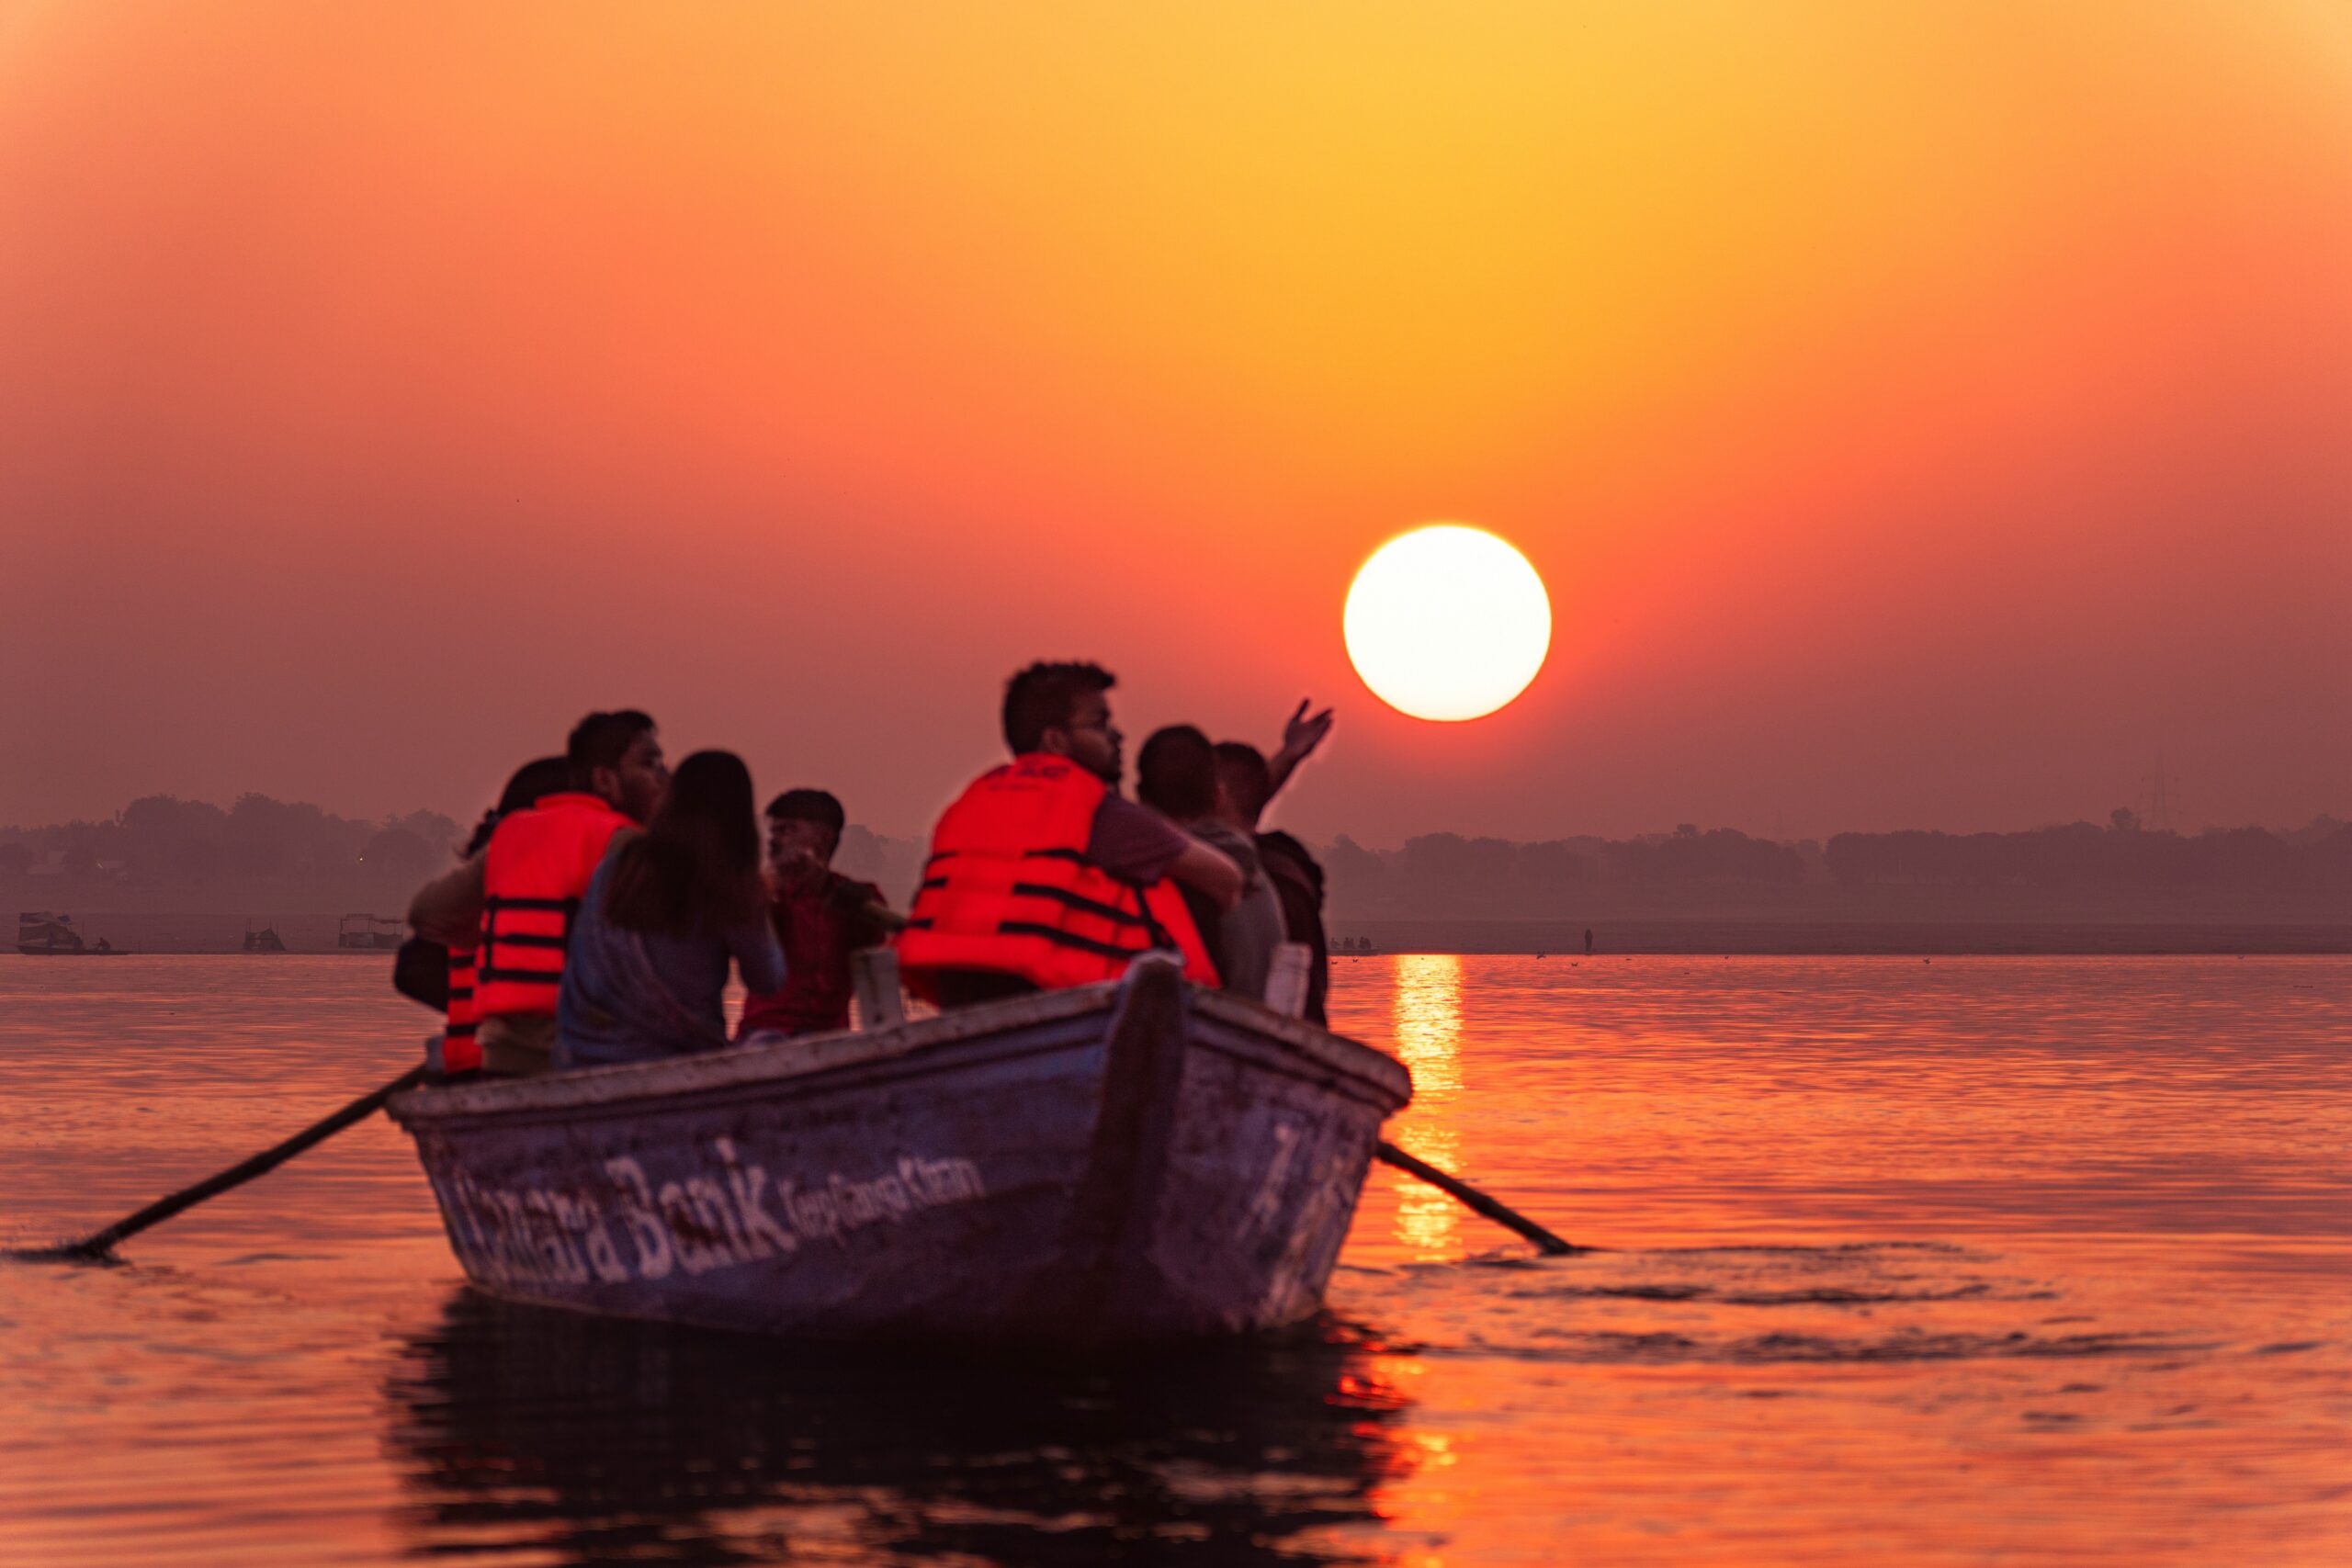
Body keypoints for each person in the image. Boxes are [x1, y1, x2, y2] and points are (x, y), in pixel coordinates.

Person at [897, 661, 1240, 1008]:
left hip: (965, 996)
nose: (1116, 735)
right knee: (1181, 888)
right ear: (1055, 740)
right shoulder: (1103, 814)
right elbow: (1227, 880)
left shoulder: (970, 805)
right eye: (1099, 724)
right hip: (1058, 1002)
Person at [408, 710, 669, 1077]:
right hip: (592, 1056)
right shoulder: (622, 841)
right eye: (650, 764)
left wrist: (498, 940)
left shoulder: (512, 834)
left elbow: (426, 914)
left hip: (504, 1058)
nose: (664, 777)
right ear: (605, 780)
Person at [557, 750, 785, 1069]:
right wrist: (760, 900)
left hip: (584, 1055)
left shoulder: (618, 867)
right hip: (678, 1061)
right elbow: (768, 979)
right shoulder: (728, 882)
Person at [1136, 725, 1285, 1001]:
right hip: (1254, 1037)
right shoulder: (1258, 873)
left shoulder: (1171, 883)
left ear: (1140, 799)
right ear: (1218, 796)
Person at [737, 789, 898, 1039]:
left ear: (823, 838)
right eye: (774, 831)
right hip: (765, 1032)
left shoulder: (858, 898)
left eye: (788, 830)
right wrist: (773, 881)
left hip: (831, 1035)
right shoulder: (765, 893)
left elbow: (881, 956)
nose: (774, 841)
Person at [1215, 700, 1337, 1026]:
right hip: (1304, 1034)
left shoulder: (1218, 869)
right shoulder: (1289, 860)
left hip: (1249, 1029)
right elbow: (1245, 801)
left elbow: (1240, 804)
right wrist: (1290, 754)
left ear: (1215, 796)